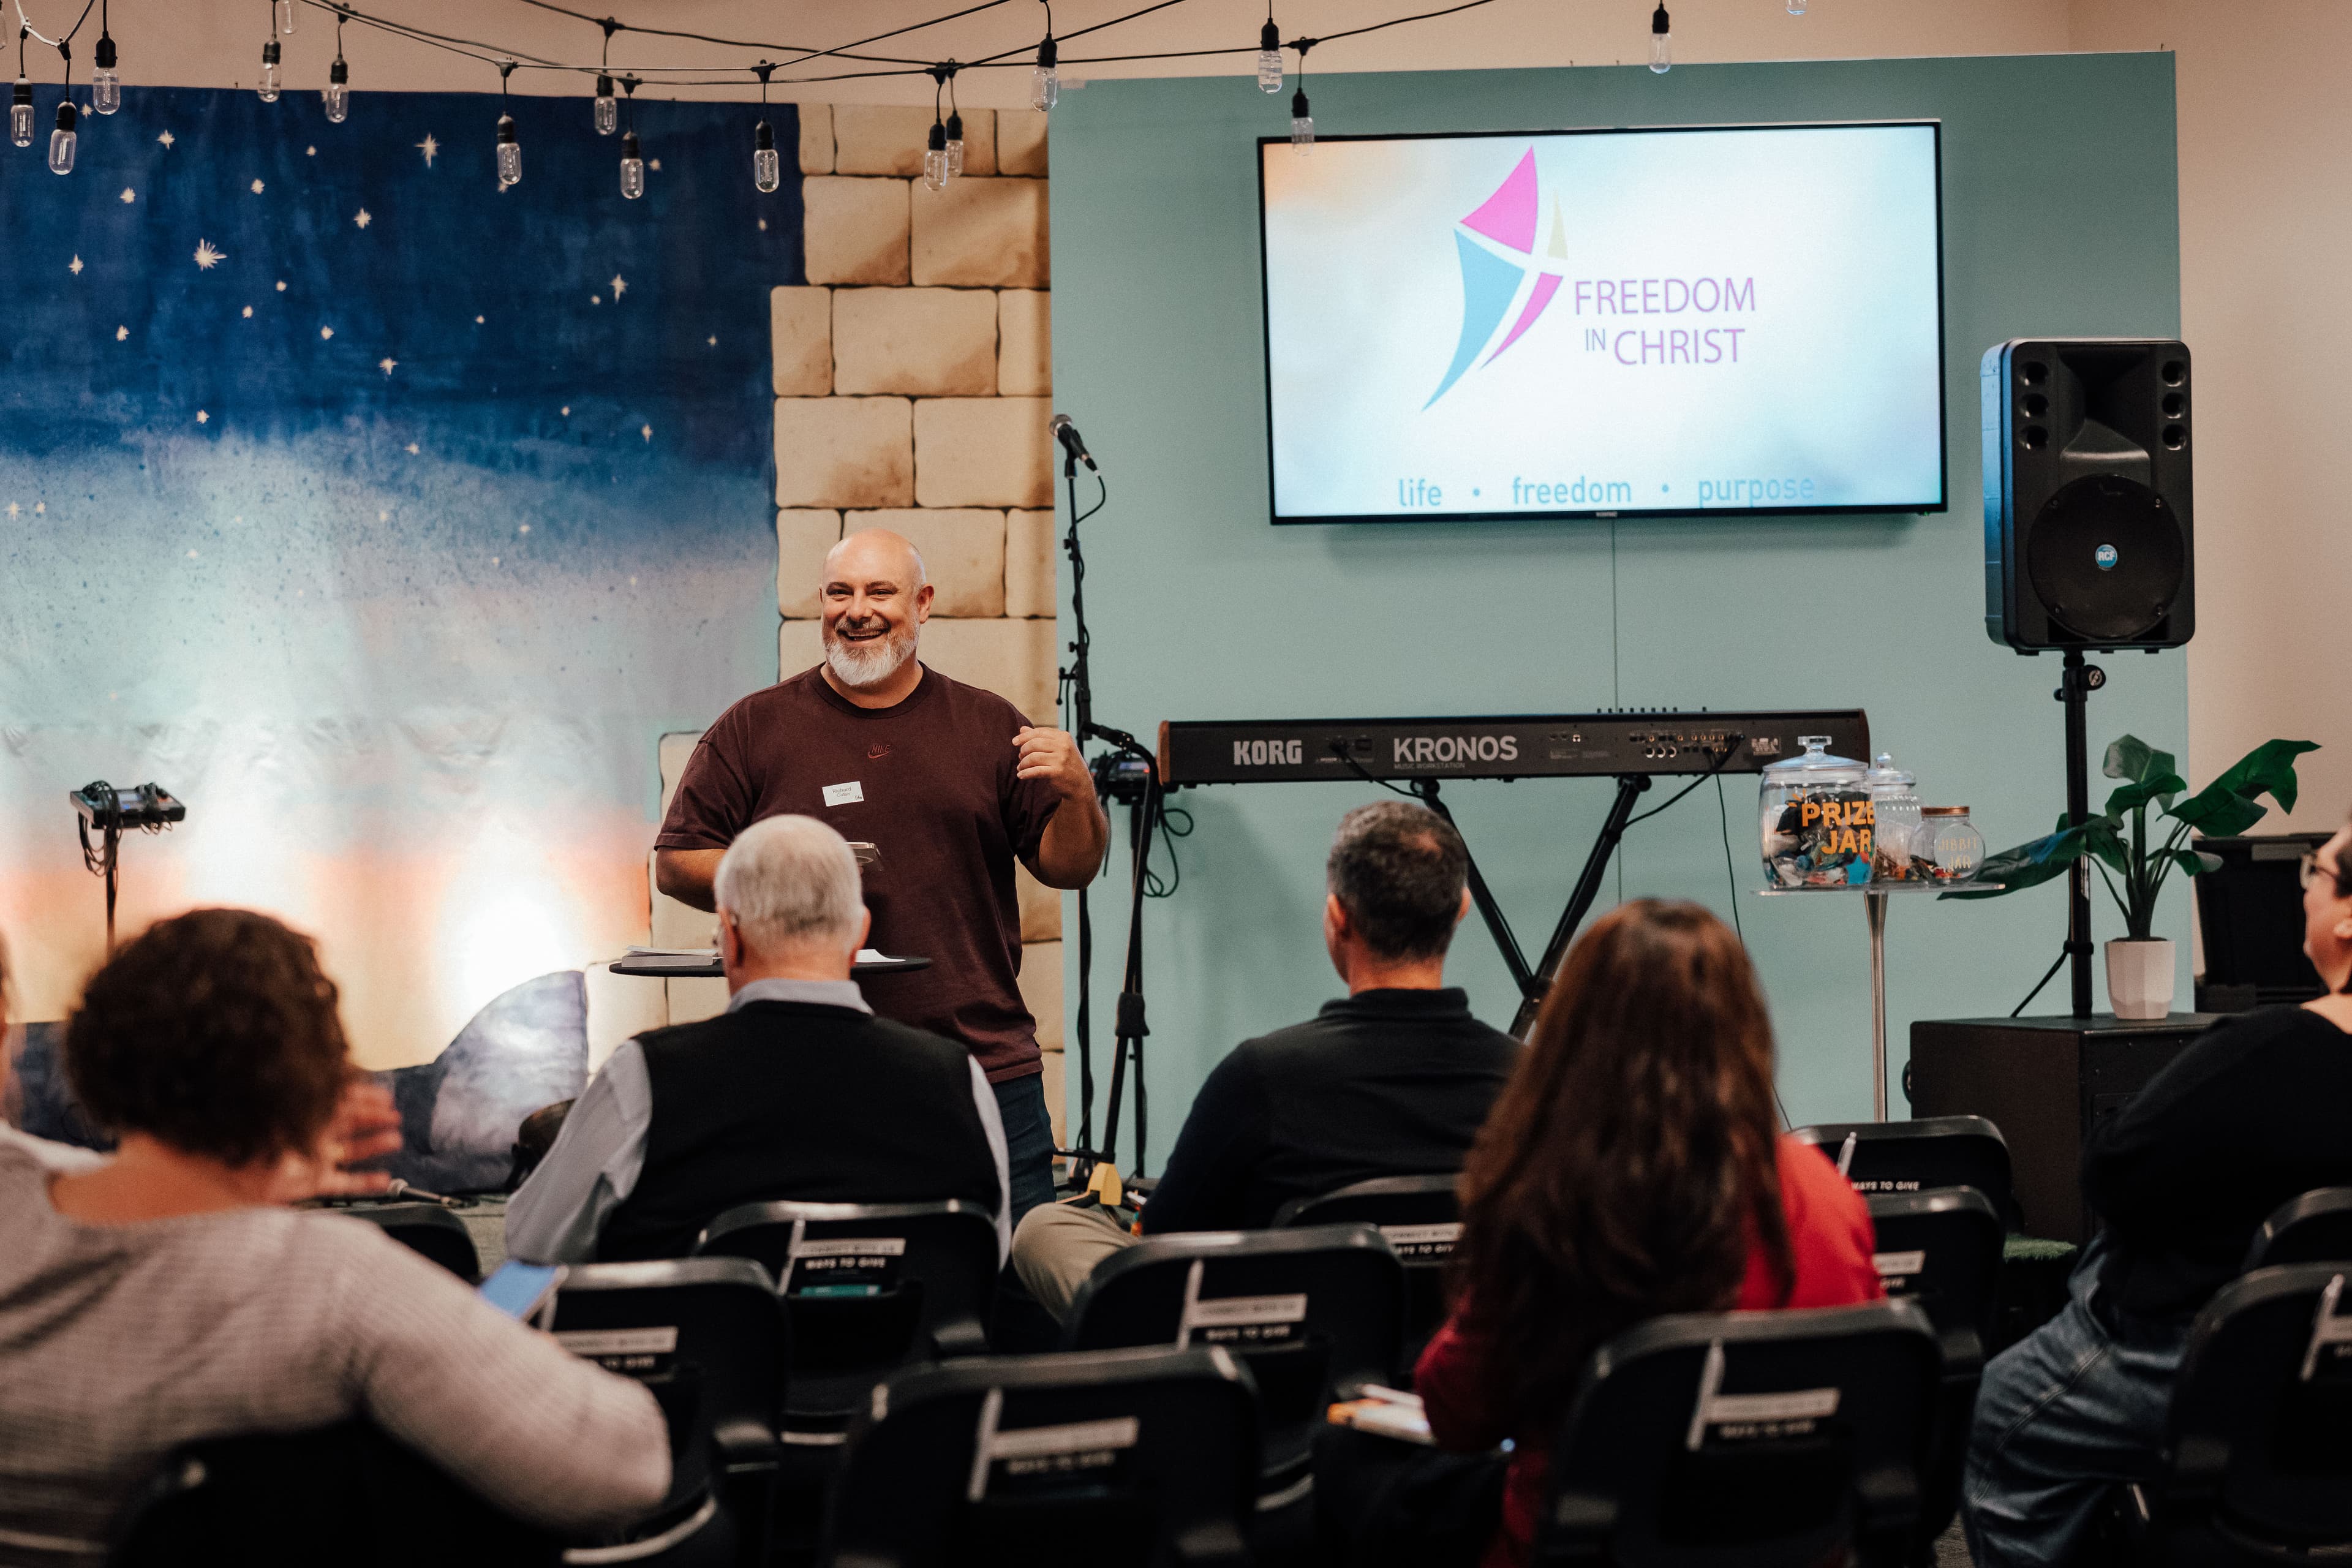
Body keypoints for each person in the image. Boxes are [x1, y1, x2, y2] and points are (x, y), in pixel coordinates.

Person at [0, 908, 670, 1558]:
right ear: (317, 1082)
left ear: (87, 1054)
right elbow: (629, 1464)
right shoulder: (328, 1283)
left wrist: (252, 1171)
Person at [1403, 899, 1882, 1568]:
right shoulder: (1829, 1197)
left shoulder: (1550, 1200)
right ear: (1744, 1027)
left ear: (1574, 1036)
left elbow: (1456, 1413)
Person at [652, 528, 1106, 1226]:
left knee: (1012, 1288)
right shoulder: (753, 728)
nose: (856, 609)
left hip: (982, 1069)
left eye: (879, 591)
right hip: (809, 1074)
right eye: (839, 592)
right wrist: (795, 877)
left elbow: (1070, 867)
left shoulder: (989, 726)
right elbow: (678, 860)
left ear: (923, 605)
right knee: (822, 1296)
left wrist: (1080, 794)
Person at [1961, 810, 2352, 1568]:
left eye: (2318, 874)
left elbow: (2114, 1170)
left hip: (2213, 1364)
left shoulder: (2264, 1052)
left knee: (1996, 1417)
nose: (2304, 892)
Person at [1009, 801, 1521, 1319]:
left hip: (1291, 1355)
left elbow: (1166, 1242)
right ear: (1461, 907)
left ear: (1338, 916)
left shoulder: (1263, 1075)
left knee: (1045, 1229)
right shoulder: (1530, 1078)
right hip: (1472, 1340)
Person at [510, 814, 1009, 1265]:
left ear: (730, 934)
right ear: (860, 934)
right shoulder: (958, 1077)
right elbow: (992, 1252)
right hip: (908, 1366)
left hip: (707, 1364)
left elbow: (532, 1241)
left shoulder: (645, 1075)